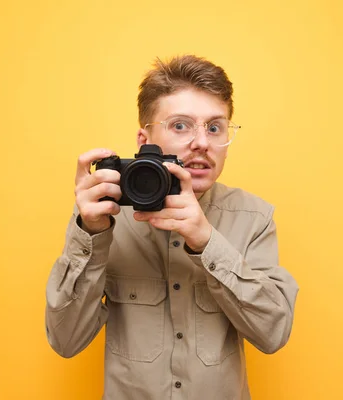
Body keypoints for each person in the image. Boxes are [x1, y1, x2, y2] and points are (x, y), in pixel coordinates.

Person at [45, 54, 299, 400]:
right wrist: (89, 234)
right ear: (143, 141)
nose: (202, 143)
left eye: (214, 127)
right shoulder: (105, 215)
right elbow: (65, 340)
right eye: (180, 125)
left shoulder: (253, 217)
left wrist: (207, 242)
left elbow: (274, 333)